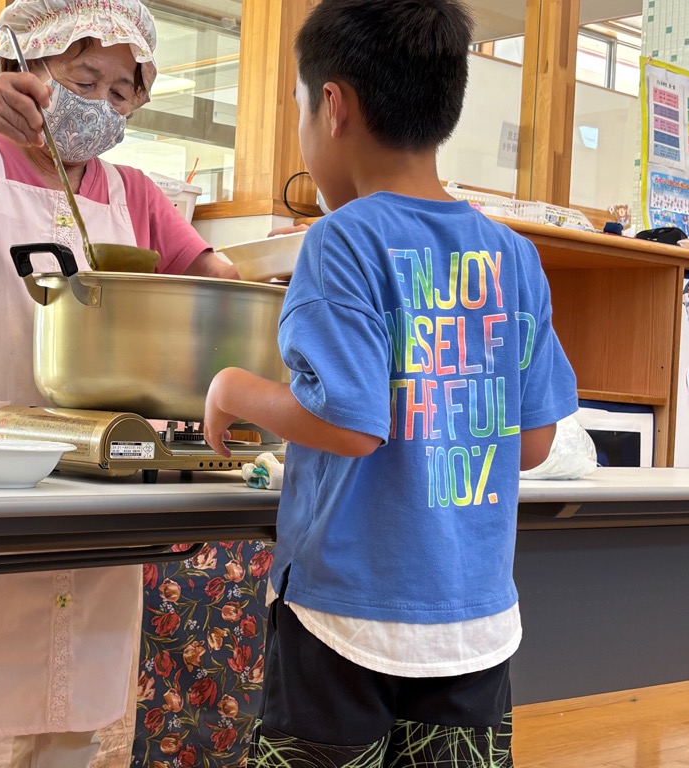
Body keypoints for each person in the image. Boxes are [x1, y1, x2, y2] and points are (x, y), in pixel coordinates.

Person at [0, 1, 236, 766]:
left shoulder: (136, 198)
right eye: (83, 77)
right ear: (29, 68)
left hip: (92, 490)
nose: (101, 103)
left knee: (68, 723)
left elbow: (214, 287)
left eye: (122, 91)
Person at [202, 0, 578, 765]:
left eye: (303, 110)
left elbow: (349, 423)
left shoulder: (339, 241)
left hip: (346, 615)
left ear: (332, 106)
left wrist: (233, 390)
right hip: (474, 621)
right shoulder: (512, 255)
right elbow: (534, 442)